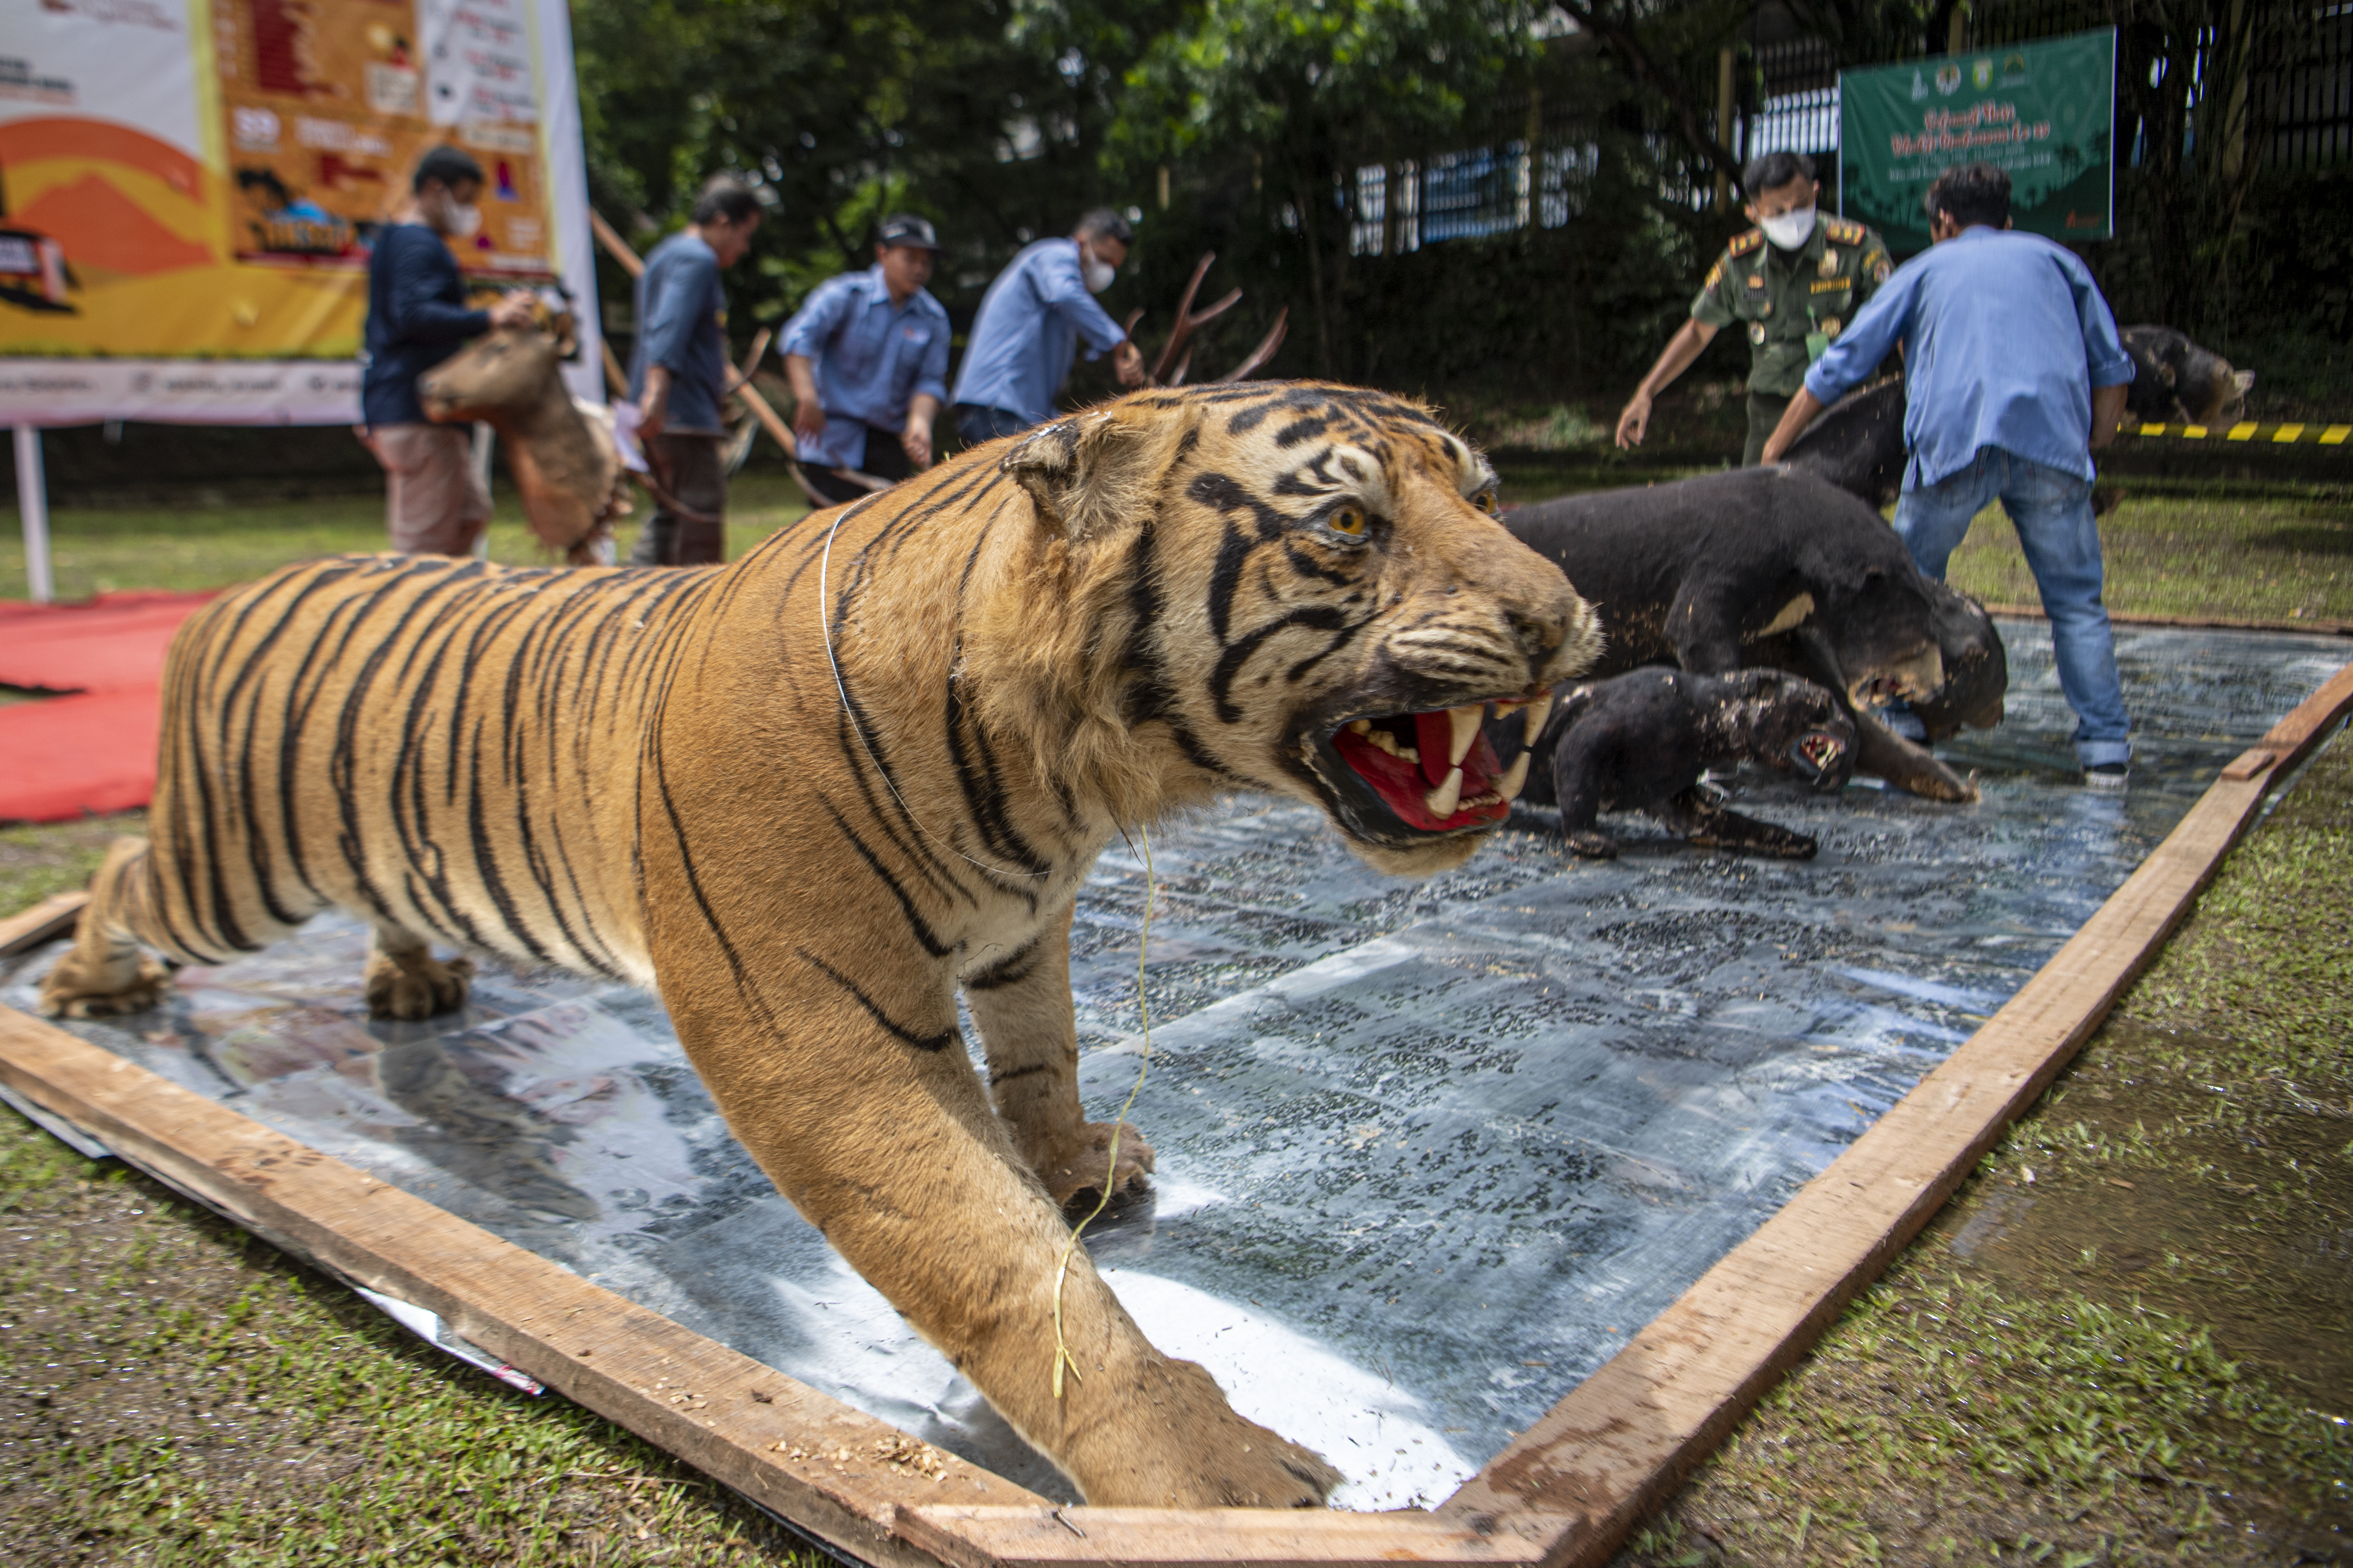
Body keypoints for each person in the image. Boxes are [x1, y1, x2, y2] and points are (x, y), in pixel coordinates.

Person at [1759, 162, 2137, 786]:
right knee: (2076, 604)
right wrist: (2091, 445)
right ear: (2006, 219)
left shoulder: (1925, 270)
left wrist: (1776, 448)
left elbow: (1843, 362)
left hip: (1951, 448)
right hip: (2051, 449)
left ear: (1942, 224)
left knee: (1901, 590)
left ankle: (1900, 727)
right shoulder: (2057, 262)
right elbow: (2113, 368)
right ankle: (2105, 748)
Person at [1615, 152, 1892, 467]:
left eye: (1801, 205)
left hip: (1845, 406)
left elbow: (1896, 321)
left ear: (1815, 193)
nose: (1792, 216)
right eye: (1778, 211)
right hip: (1770, 411)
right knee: (1760, 508)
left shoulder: (1857, 249)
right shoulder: (1740, 263)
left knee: (1844, 510)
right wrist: (1646, 391)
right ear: (1754, 213)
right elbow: (1697, 332)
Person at [359, 146, 536, 556]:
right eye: (465, 199)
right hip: (417, 412)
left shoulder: (400, 241)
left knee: (469, 515)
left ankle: (445, 613)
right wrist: (489, 318)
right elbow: (413, 314)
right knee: (423, 550)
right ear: (435, 190)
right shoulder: (416, 243)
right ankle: (411, 615)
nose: (469, 212)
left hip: (418, 411)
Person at [628, 174, 763, 565]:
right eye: (745, 234)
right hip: (680, 415)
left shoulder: (663, 255)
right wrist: (658, 393)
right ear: (723, 223)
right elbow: (669, 325)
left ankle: (633, 606)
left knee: (668, 515)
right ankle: (695, 617)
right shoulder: (698, 258)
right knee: (699, 517)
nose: (745, 247)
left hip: (669, 413)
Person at [779, 213, 952, 506]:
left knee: (885, 544)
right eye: (910, 258)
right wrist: (807, 398)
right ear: (882, 253)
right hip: (833, 439)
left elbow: (930, 380)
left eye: (926, 262)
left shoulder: (934, 319)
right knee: (828, 541)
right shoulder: (845, 296)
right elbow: (798, 340)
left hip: (889, 446)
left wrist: (920, 422)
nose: (920, 269)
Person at [949, 209, 1146, 446]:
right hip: (996, 405)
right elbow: (1065, 295)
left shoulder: (1064, 304)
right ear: (1082, 241)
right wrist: (1118, 342)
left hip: (1014, 411)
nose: (1107, 272)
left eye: (1115, 266)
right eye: (1104, 260)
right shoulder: (1056, 254)